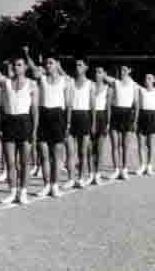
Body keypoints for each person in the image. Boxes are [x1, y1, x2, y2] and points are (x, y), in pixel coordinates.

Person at [0, 46, 38, 205]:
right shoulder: (6, 82)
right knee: (10, 161)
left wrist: (34, 130)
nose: (16, 67)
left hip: (25, 122)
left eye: (19, 65)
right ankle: (13, 191)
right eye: (14, 65)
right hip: (9, 122)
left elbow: (35, 110)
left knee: (25, 162)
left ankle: (23, 192)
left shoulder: (32, 84)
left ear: (25, 67)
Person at [24, 47, 67, 198]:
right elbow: (32, 67)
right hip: (44, 116)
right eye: (46, 63)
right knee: (44, 154)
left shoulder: (64, 80)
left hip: (58, 116)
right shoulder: (41, 78)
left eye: (51, 63)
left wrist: (67, 123)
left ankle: (55, 185)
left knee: (56, 155)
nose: (48, 65)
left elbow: (68, 104)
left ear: (57, 64)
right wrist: (27, 54)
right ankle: (47, 184)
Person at [65, 58, 96, 189]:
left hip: (85, 117)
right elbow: (69, 104)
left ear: (86, 67)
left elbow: (93, 106)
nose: (78, 67)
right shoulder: (70, 82)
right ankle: (71, 178)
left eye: (80, 65)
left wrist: (93, 123)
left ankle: (81, 177)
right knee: (70, 151)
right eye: (76, 65)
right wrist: (67, 122)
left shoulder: (90, 84)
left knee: (83, 151)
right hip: (73, 116)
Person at [103, 66, 138, 180]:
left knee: (125, 145)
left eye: (125, 70)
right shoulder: (116, 83)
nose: (122, 72)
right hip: (116, 114)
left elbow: (136, 104)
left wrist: (135, 121)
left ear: (129, 70)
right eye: (121, 70)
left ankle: (124, 169)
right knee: (115, 144)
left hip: (127, 114)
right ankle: (116, 169)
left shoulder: (134, 85)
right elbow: (104, 76)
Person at [134, 74, 155, 176]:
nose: (147, 80)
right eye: (145, 78)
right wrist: (135, 121)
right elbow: (137, 107)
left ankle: (149, 165)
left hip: (152, 117)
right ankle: (142, 165)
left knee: (150, 144)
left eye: (149, 78)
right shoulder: (141, 90)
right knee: (141, 143)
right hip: (142, 116)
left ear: (154, 80)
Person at [90, 67, 111, 185]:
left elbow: (108, 107)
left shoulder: (108, 88)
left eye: (99, 72)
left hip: (102, 117)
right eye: (96, 72)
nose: (97, 74)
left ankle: (97, 173)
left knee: (99, 148)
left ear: (104, 74)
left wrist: (108, 123)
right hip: (91, 116)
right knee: (90, 148)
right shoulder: (91, 86)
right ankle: (91, 173)